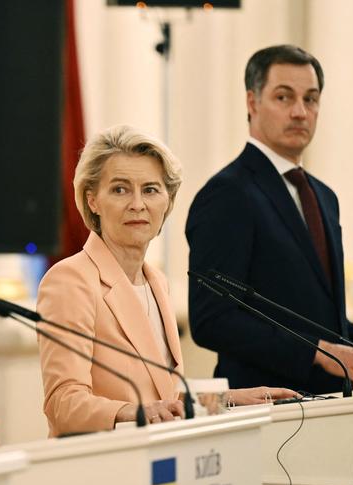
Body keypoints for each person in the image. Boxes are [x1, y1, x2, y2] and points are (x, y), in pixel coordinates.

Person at [37, 125, 295, 437]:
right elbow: (63, 405)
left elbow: (164, 398)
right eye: (120, 189)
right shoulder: (70, 279)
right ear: (93, 201)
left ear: (167, 201)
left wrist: (228, 400)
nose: (137, 204)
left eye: (150, 189)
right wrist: (133, 412)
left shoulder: (156, 281)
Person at [186, 45, 353, 394]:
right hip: (265, 410)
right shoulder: (227, 194)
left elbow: (315, 314)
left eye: (311, 99)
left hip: (329, 406)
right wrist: (315, 352)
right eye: (284, 97)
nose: (300, 112)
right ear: (252, 103)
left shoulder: (324, 196)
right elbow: (212, 319)